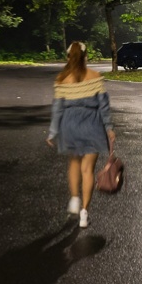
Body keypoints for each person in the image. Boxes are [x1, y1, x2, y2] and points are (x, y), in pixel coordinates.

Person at [46, 41, 116, 228]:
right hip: (92, 125)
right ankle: (84, 212)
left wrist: (53, 132)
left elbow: (57, 110)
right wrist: (109, 128)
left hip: (70, 126)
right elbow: (104, 107)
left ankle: (74, 199)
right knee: (88, 170)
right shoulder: (95, 77)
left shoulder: (62, 79)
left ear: (69, 57)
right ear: (86, 57)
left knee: (74, 164)